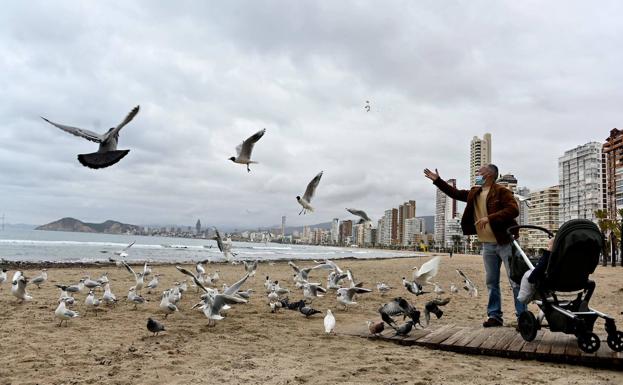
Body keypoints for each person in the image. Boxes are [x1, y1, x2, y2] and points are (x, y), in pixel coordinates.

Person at [424, 164, 526, 327]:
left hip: (506, 243)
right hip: (488, 245)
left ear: (489, 175)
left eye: (481, 172)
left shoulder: (501, 191)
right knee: (491, 282)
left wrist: (490, 218)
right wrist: (438, 181)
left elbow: (513, 210)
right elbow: (455, 193)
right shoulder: (475, 192)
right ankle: (495, 316)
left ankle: (523, 317)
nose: (477, 174)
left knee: (516, 281)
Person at [517, 238, 553, 304]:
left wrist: (547, 252)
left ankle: (523, 298)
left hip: (550, 284)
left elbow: (534, 275)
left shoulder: (548, 257)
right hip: (568, 286)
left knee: (528, 274)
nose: (547, 248)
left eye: (548, 246)